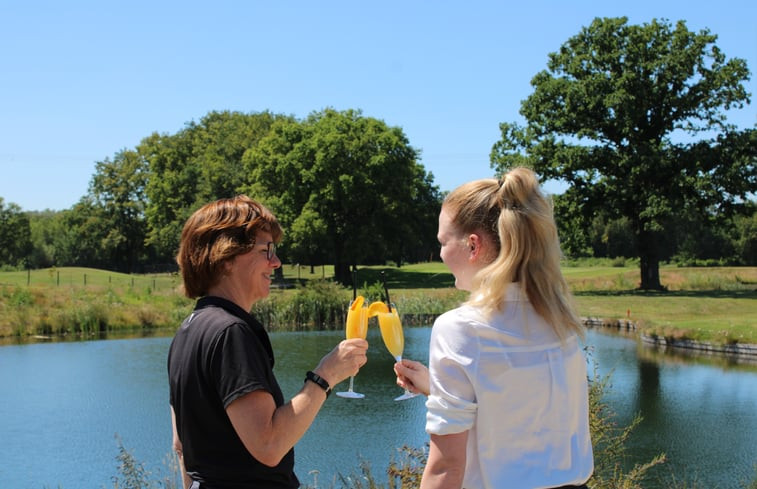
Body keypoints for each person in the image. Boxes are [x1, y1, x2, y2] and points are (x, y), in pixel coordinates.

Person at [395, 167, 593, 489]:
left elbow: (446, 467)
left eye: (443, 242)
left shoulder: (459, 329)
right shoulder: (558, 314)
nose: (441, 253)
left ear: (473, 246)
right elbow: (521, 404)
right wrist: (439, 388)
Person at [167, 195, 368, 489]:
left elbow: (181, 446)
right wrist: (326, 375)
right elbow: (269, 445)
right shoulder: (231, 333)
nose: (276, 262)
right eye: (265, 250)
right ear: (225, 259)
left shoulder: (187, 330)